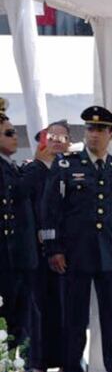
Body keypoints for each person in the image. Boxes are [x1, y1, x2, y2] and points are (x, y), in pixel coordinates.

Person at [41, 106, 112, 372]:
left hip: (111, 252)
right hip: (75, 252)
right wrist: (54, 248)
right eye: (90, 129)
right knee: (74, 313)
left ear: (111, 134)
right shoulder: (66, 165)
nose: (94, 135)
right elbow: (51, 209)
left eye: (100, 130)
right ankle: (72, 369)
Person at [21, 120, 71, 372]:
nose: (56, 141)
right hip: (39, 252)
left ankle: (68, 363)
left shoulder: (71, 170)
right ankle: (39, 365)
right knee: (40, 310)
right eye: (51, 136)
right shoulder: (32, 172)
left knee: (65, 309)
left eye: (62, 137)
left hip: (67, 250)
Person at [0, 109, 37, 352]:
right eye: (9, 133)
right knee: (9, 318)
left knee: (18, 318)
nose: (16, 137)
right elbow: (14, 193)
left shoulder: (11, 166)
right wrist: (38, 167)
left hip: (18, 258)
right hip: (5, 257)